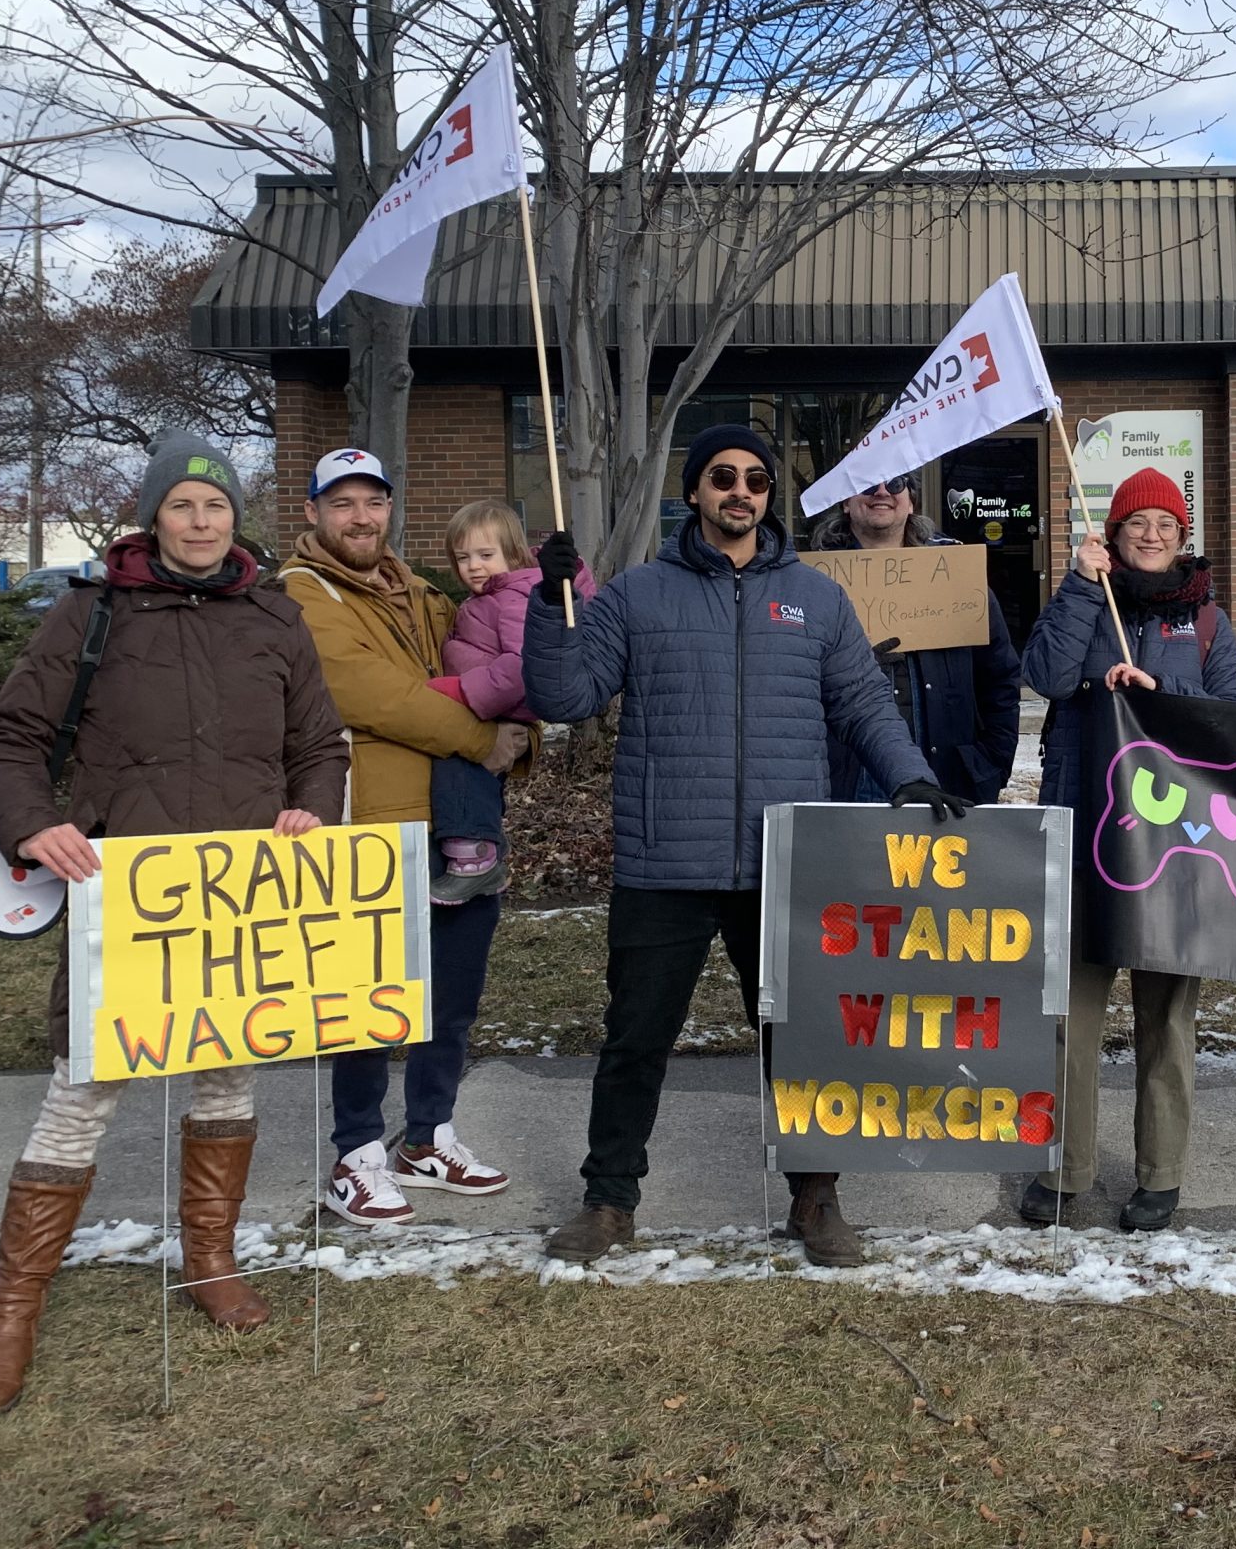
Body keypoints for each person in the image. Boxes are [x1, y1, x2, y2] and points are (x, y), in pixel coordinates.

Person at [0, 433, 347, 1414]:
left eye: (215, 506)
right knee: (84, 1084)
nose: (202, 521)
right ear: (153, 516)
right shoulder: (91, 614)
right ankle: (12, 1308)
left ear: (234, 517)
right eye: (182, 506)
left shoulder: (274, 615)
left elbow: (319, 743)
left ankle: (210, 1259)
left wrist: (310, 805)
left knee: (227, 1066)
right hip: (124, 898)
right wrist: (33, 823)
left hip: (238, 896)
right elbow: (8, 740)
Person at [522, 425, 970, 1267]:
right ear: (694, 492)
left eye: (757, 479)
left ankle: (817, 1196)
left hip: (786, 859)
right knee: (636, 1039)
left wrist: (908, 773)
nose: (740, 491)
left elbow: (865, 703)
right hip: (666, 861)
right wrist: (550, 608)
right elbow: (566, 694)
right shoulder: (636, 594)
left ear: (770, 495)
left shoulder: (816, 598)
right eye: (722, 477)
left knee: (802, 1040)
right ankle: (608, 1201)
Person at [279, 450, 533, 1226]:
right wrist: (480, 738)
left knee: (450, 997)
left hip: (455, 825)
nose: (361, 516)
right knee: (366, 999)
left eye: (374, 501)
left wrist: (520, 734)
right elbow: (371, 694)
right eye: (343, 502)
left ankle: (427, 1136)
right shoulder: (302, 592)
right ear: (315, 513)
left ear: (391, 509)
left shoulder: (425, 591)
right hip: (368, 828)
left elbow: (498, 671)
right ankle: (356, 1153)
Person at [1017, 466, 1236, 1233]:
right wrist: (1082, 590)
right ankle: (1063, 1169)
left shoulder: (1208, 622)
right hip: (1084, 832)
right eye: (1134, 524)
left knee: (1168, 1016)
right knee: (1069, 1016)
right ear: (1111, 536)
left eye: (1165, 525)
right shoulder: (1084, 598)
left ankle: (1161, 1175)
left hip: (1174, 851)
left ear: (1184, 539)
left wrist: (1161, 701)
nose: (1150, 535)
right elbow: (1045, 675)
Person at [809, 472, 1022, 806]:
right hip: (846, 779)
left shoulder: (956, 574)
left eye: (895, 483)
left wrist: (992, 762)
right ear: (846, 503)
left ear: (910, 501)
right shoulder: (811, 583)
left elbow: (999, 676)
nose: (881, 492)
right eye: (866, 484)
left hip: (945, 779)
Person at [427, 499, 598, 902]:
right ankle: (482, 849)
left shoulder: (514, 596)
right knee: (475, 777)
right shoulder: (490, 597)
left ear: (515, 554)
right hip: (490, 702)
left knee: (462, 765)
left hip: (496, 702)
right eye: (462, 557)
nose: (473, 566)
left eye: (486, 555)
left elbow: (524, 664)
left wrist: (458, 690)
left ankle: (475, 858)